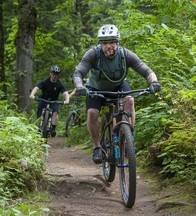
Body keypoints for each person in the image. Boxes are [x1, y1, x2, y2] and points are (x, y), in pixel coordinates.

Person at [72, 24, 161, 164]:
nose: (109, 46)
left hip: (118, 85)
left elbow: (145, 70)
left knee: (130, 101)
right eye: (105, 43)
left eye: (112, 42)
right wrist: (79, 86)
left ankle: (126, 137)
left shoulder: (125, 55)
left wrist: (154, 82)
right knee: (92, 113)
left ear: (117, 42)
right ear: (100, 44)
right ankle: (96, 147)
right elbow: (79, 72)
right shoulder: (93, 54)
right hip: (95, 88)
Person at [30, 66, 70, 137]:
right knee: (39, 112)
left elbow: (65, 93)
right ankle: (38, 127)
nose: (54, 75)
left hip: (54, 101)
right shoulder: (45, 81)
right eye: (53, 74)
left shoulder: (59, 83)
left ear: (58, 75)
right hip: (43, 99)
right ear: (50, 74)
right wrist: (32, 94)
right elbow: (37, 88)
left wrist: (67, 100)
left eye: (56, 74)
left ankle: (53, 129)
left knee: (55, 113)